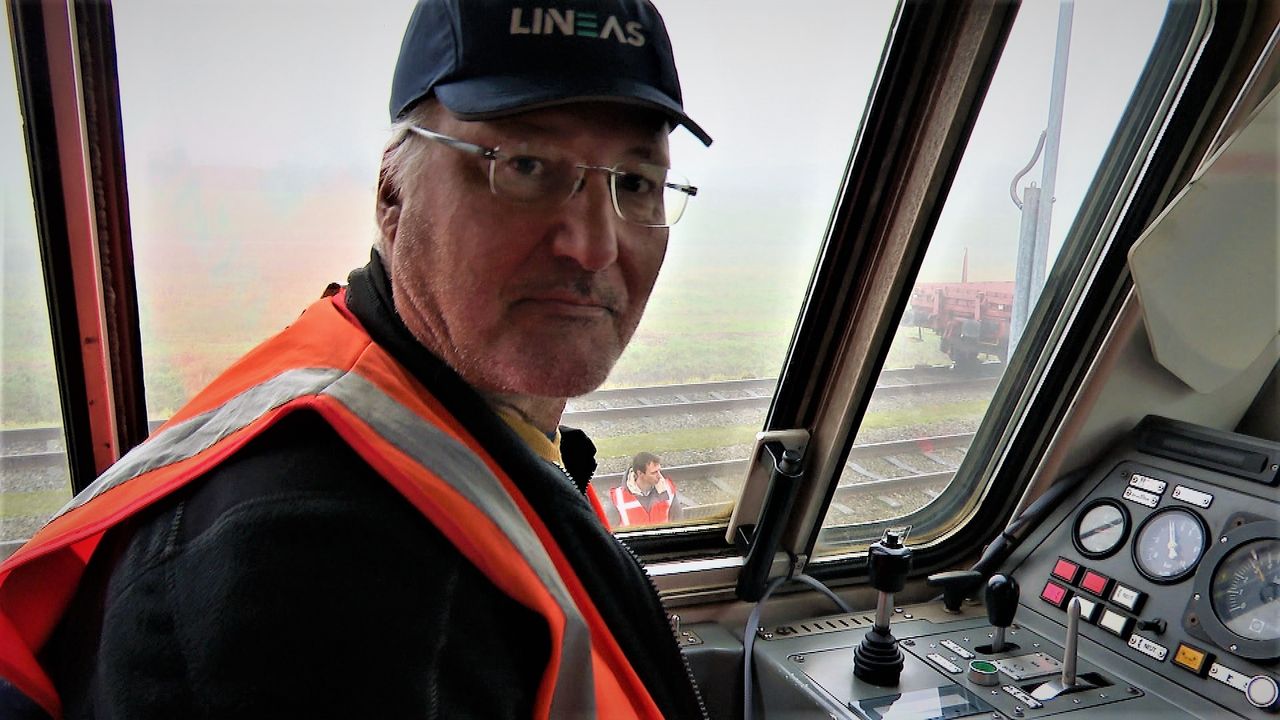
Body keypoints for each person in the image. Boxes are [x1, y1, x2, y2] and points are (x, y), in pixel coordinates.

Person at [0, 1, 713, 718]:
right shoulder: (320, 568)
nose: (594, 245)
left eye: (635, 183)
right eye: (526, 166)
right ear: (392, 195)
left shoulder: (440, 410)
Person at [606, 452, 684, 528]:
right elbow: (609, 530)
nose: (660, 476)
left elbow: (678, 522)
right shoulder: (618, 498)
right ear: (640, 474)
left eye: (659, 471)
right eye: (654, 473)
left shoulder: (668, 490)